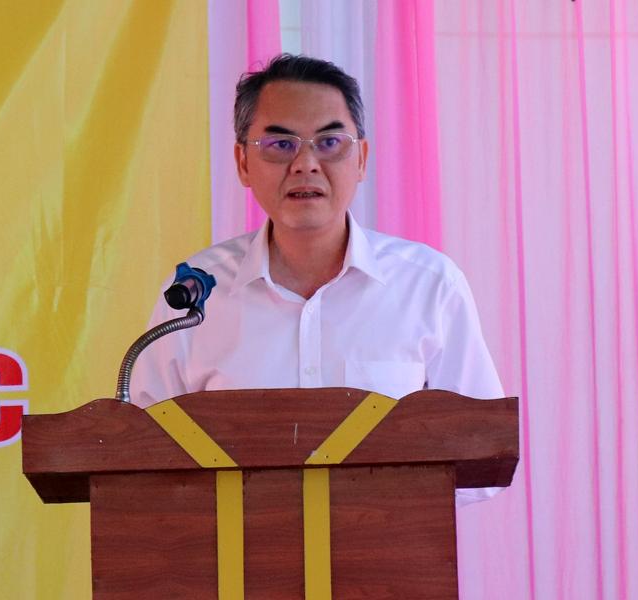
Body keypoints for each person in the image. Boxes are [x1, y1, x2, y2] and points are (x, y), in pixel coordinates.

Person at [130, 54, 504, 505]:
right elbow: (140, 456)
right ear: (243, 162)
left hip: (383, 543)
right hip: (232, 545)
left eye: (329, 142)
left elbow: (482, 456)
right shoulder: (195, 295)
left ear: (361, 158)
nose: (305, 164)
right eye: (280, 144)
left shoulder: (429, 287)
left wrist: (383, 506)